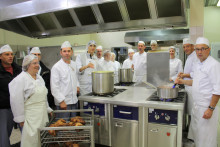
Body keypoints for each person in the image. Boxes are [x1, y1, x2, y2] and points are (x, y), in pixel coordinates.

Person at [175, 37, 220, 147]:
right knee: (198, 137)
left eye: (202, 49)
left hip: (206, 108)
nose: (199, 52)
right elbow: (195, 81)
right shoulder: (198, 64)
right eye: (197, 49)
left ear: (208, 50)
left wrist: (211, 108)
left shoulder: (214, 65)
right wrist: (181, 81)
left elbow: (218, 89)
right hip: (197, 107)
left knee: (206, 139)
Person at [9, 54, 53, 147]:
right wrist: (20, 118)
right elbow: (16, 100)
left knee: (42, 138)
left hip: (42, 114)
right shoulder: (20, 79)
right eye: (34, 63)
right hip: (30, 117)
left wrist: (48, 108)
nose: (37, 65)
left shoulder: (39, 78)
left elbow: (43, 96)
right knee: (31, 140)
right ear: (27, 65)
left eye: (38, 63)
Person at [51, 41, 80, 118]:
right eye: (64, 51)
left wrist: (77, 85)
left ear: (72, 52)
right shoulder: (56, 67)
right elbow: (54, 87)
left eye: (69, 51)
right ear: (61, 53)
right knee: (63, 126)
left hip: (74, 101)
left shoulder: (74, 64)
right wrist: (61, 101)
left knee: (74, 124)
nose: (67, 53)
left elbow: (76, 77)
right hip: (63, 103)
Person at [0, 44, 22, 147]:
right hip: (4, 108)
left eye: (11, 54)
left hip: (18, 106)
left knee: (25, 133)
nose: (10, 56)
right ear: (0, 56)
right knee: (4, 136)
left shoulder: (18, 70)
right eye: (7, 54)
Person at [178, 38, 198, 134]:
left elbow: (195, 74)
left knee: (192, 113)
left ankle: (192, 135)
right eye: (184, 47)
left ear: (193, 46)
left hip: (192, 89)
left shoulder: (195, 57)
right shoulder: (190, 56)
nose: (185, 48)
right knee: (190, 112)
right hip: (188, 88)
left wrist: (184, 76)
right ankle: (189, 132)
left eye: (187, 46)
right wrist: (183, 74)